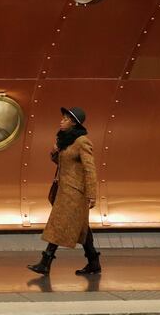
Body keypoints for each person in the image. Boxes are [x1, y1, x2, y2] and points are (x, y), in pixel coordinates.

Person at [27, 107, 101, 276]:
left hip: (75, 192)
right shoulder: (64, 140)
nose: (62, 121)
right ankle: (94, 262)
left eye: (66, 119)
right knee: (82, 228)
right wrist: (54, 152)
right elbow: (63, 163)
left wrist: (91, 194)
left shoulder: (82, 141)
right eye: (63, 118)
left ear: (74, 123)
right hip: (64, 188)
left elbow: (90, 169)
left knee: (59, 224)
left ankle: (45, 262)